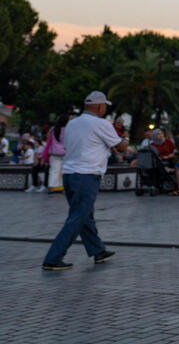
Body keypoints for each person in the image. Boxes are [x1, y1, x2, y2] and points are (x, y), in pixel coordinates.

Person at [42, 91, 126, 270]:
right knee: (78, 216)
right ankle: (53, 257)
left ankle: (98, 251)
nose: (105, 110)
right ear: (99, 106)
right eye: (104, 107)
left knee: (85, 215)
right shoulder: (101, 123)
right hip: (87, 175)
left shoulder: (72, 124)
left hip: (70, 173)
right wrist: (125, 140)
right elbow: (119, 145)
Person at [42, 115, 69, 193]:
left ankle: (52, 187)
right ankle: (60, 187)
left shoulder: (53, 129)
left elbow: (49, 142)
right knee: (63, 170)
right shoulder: (68, 130)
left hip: (54, 153)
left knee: (54, 170)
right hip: (65, 152)